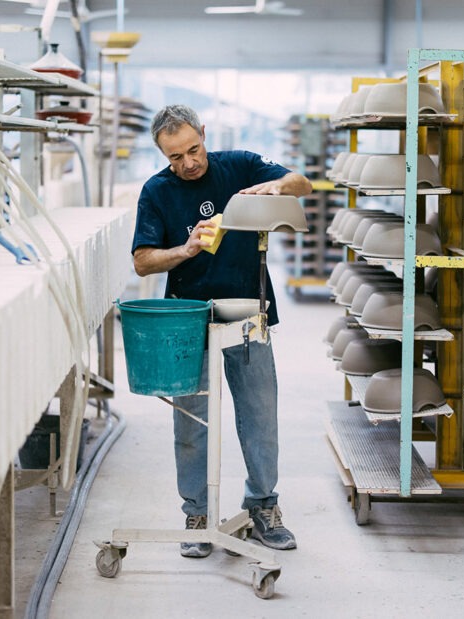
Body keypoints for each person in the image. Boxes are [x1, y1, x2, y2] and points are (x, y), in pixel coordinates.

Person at [131, 104, 311, 558]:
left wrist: (275, 185)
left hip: (248, 309)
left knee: (259, 415)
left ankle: (262, 506)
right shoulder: (157, 191)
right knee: (192, 422)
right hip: (188, 318)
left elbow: (302, 183)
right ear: (162, 154)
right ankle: (197, 512)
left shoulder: (240, 166)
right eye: (175, 157)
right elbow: (143, 259)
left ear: (204, 135)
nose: (188, 163)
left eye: (193, 150)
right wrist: (186, 248)